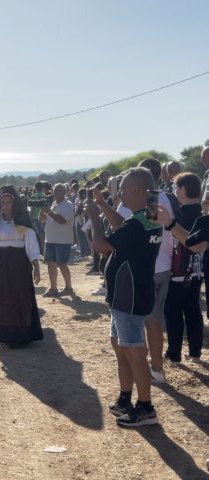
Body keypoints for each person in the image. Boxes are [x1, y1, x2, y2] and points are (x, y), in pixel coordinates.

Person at [86, 167, 161, 427]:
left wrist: (94, 217)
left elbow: (102, 246)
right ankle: (125, 398)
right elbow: (125, 226)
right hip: (125, 296)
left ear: (138, 191)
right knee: (121, 347)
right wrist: (103, 205)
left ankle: (145, 407)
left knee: (133, 351)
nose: (119, 194)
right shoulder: (150, 215)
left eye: (124, 189)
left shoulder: (141, 220)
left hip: (129, 297)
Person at [113, 159, 173, 384]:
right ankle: (155, 367)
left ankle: (153, 368)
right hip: (163, 265)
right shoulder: (164, 196)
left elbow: (143, 231)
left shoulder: (149, 199)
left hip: (147, 270)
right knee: (153, 320)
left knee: (147, 322)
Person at [0, 186, 42, 345]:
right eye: (3, 202)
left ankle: (20, 334)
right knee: (0, 296)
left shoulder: (22, 222)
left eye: (9, 202)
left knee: (19, 297)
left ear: (14, 204)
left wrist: (36, 267)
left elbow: (31, 245)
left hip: (18, 264)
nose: (6, 205)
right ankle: (2, 333)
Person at [155, 172, 205, 363]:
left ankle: (173, 353)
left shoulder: (180, 214)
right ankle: (195, 352)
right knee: (193, 311)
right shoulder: (201, 213)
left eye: (176, 187)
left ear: (183, 189)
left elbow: (187, 241)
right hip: (196, 270)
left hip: (179, 271)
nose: (174, 191)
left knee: (173, 313)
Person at [41, 184, 75, 297]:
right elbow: (41, 220)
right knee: (51, 264)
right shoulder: (54, 204)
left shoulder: (68, 205)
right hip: (50, 239)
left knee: (62, 264)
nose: (54, 193)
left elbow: (62, 221)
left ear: (63, 192)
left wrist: (49, 212)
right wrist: (43, 209)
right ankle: (53, 288)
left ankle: (69, 287)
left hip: (63, 240)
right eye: (54, 191)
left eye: (57, 191)